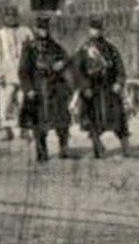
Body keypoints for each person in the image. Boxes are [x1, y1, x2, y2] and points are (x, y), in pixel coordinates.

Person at [73, 16, 131, 159]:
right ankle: (98, 147)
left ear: (102, 30)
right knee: (93, 121)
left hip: (110, 88)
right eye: (93, 29)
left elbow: (120, 68)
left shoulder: (110, 48)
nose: (96, 32)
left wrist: (119, 82)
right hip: (92, 90)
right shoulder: (84, 49)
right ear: (89, 30)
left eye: (98, 29)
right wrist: (85, 86)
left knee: (119, 119)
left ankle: (126, 148)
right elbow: (78, 71)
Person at [19, 15, 73, 162]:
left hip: (55, 87)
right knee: (38, 124)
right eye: (41, 28)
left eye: (46, 28)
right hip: (37, 88)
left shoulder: (54, 46)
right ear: (36, 29)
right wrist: (28, 89)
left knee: (62, 120)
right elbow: (23, 71)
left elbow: (67, 58)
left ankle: (64, 148)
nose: (44, 31)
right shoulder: (29, 47)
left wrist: (61, 63)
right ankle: (42, 152)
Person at [0, 5, 33, 141]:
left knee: (23, 101)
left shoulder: (26, 32)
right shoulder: (0, 34)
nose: (11, 19)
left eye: (14, 16)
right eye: (8, 16)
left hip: (23, 74)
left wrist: (31, 73)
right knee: (5, 103)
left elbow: (32, 53)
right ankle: (6, 129)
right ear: (5, 18)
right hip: (7, 75)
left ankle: (24, 129)